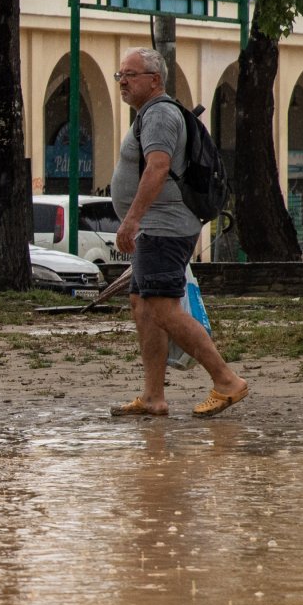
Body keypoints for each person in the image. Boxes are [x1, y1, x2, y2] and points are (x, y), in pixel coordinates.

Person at [108, 47, 250, 419]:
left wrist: (132, 220)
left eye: (130, 74)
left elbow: (157, 168)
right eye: (119, 74)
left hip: (163, 227)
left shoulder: (159, 115)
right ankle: (153, 397)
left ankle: (226, 380)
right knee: (142, 304)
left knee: (161, 306)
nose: (122, 81)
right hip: (154, 228)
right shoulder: (150, 115)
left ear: (154, 80)